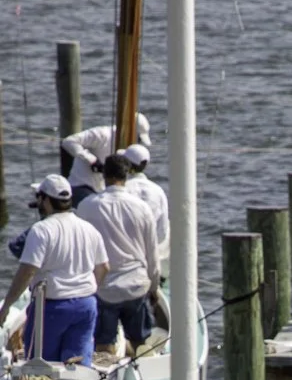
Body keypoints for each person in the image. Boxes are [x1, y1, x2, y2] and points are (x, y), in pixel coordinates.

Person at [0, 174, 107, 365]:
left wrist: (7, 305)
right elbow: (104, 267)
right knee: (78, 366)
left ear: (46, 200)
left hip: (51, 308)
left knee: (41, 367)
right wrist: (87, 291)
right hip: (86, 305)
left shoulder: (41, 230)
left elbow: (27, 272)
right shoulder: (89, 229)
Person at [78, 154, 161, 356]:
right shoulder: (142, 208)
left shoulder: (87, 206)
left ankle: (104, 375)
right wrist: (154, 287)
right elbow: (152, 255)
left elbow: (80, 250)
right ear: (127, 175)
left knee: (103, 345)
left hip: (104, 287)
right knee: (140, 342)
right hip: (136, 284)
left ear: (104, 175)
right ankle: (141, 374)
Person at [62, 115, 151, 206]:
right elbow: (69, 141)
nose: (137, 142)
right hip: (82, 186)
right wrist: (91, 160)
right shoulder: (102, 135)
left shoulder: (129, 149)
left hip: (103, 192)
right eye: (138, 138)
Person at [119, 142, 170, 263]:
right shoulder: (158, 190)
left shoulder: (123, 189)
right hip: (150, 251)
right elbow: (161, 232)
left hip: (125, 251)